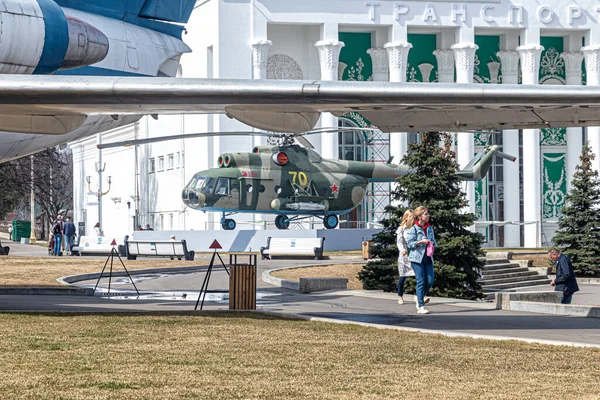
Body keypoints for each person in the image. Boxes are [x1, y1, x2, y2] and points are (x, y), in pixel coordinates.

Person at [406, 206, 437, 314]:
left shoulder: (429, 228)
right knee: (421, 281)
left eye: (427, 214)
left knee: (430, 281)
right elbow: (409, 244)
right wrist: (419, 242)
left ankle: (419, 296)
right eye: (425, 214)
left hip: (428, 257)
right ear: (419, 216)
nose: (428, 216)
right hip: (416, 258)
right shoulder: (413, 229)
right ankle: (421, 305)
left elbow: (433, 240)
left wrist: (432, 244)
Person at [396, 209, 415, 305]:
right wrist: (402, 250)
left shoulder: (415, 228)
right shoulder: (402, 229)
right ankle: (400, 296)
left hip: (414, 255)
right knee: (402, 277)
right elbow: (399, 242)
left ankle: (420, 296)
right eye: (411, 217)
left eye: (413, 217)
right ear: (406, 217)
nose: (412, 218)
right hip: (404, 256)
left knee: (419, 276)